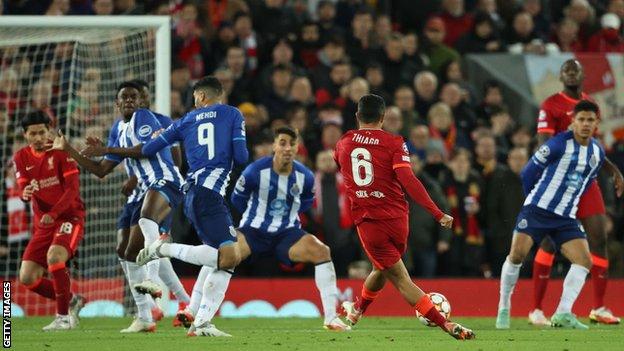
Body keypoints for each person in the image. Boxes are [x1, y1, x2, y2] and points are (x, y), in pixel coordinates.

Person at [334, 94, 475, 340]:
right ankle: (357, 311)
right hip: (398, 220)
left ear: (357, 116)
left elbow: (344, 167)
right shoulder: (394, 142)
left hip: (370, 223)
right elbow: (408, 180)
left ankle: (447, 325)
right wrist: (437, 212)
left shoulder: (344, 142)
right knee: (383, 268)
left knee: (399, 277)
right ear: (383, 117)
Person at [48, 81, 185, 333]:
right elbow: (101, 170)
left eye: (134, 97)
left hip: (165, 180)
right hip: (144, 189)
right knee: (126, 252)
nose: (131, 101)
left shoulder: (145, 118)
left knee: (147, 220)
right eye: (125, 97)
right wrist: (69, 150)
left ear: (142, 101)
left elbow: (145, 149)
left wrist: (107, 149)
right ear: (117, 103)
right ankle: (144, 316)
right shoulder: (117, 129)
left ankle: (153, 282)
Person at [134, 76, 248, 337]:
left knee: (223, 258)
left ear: (200, 97)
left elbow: (150, 148)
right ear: (219, 95)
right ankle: (163, 249)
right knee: (229, 256)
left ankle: (201, 322)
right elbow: (241, 156)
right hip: (209, 193)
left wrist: (157, 135)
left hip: (193, 193)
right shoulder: (232, 114)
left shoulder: (185, 120)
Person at [496, 100, 606, 330]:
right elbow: (528, 173)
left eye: (590, 120)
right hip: (537, 210)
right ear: (573, 122)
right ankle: (504, 307)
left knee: (584, 261)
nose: (585, 124)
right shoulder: (557, 144)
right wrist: (533, 201)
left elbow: (587, 182)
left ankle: (563, 313)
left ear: (597, 123)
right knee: (517, 256)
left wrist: (570, 203)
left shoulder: (597, 152)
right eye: (581, 119)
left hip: (565, 218)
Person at [529, 59, 624, 326]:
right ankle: (536, 309)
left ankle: (599, 307)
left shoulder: (590, 105)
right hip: (559, 183)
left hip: (586, 181)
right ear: (561, 76)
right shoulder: (551, 105)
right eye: (566, 70)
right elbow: (543, 145)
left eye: (575, 70)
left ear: (582, 75)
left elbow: (591, 145)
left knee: (599, 239)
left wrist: (613, 170)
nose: (571, 74)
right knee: (550, 241)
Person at [230, 126, 349, 330]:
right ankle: (197, 313)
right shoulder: (255, 171)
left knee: (321, 251)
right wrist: (258, 217)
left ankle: (331, 318)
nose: (287, 148)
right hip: (254, 230)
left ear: (297, 148)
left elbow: (305, 203)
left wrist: (284, 217)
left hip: (286, 234)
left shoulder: (306, 176)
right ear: (274, 146)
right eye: (282, 143)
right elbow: (237, 200)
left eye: (292, 144)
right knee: (225, 255)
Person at [107, 79, 191, 327]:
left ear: (145, 99)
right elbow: (114, 163)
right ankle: (173, 303)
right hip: (137, 195)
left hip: (159, 189)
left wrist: (148, 182)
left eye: (140, 96)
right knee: (132, 250)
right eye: (130, 97)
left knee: (151, 242)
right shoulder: (121, 125)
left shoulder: (161, 121)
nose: (135, 101)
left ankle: (157, 304)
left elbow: (173, 160)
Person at [15, 111, 86, 330]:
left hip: (69, 217)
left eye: (42, 132)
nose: (38, 138)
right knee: (27, 277)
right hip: (44, 224)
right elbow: (23, 188)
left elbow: (73, 190)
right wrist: (24, 194)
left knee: (55, 258)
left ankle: (63, 318)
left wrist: (54, 214)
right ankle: (72, 299)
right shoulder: (20, 157)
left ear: (50, 131)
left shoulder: (61, 153)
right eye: (33, 133)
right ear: (25, 134)